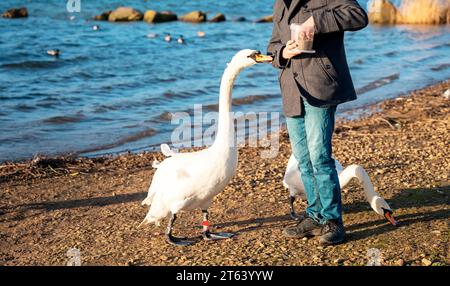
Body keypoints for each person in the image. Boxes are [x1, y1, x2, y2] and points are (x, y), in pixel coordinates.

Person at [267, 0, 368, 245]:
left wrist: (316, 21)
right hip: (291, 90)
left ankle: (333, 221)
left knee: (320, 158)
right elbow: (272, 47)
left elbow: (358, 15)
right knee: (303, 159)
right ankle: (314, 216)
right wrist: (283, 53)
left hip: (320, 86)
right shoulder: (280, 3)